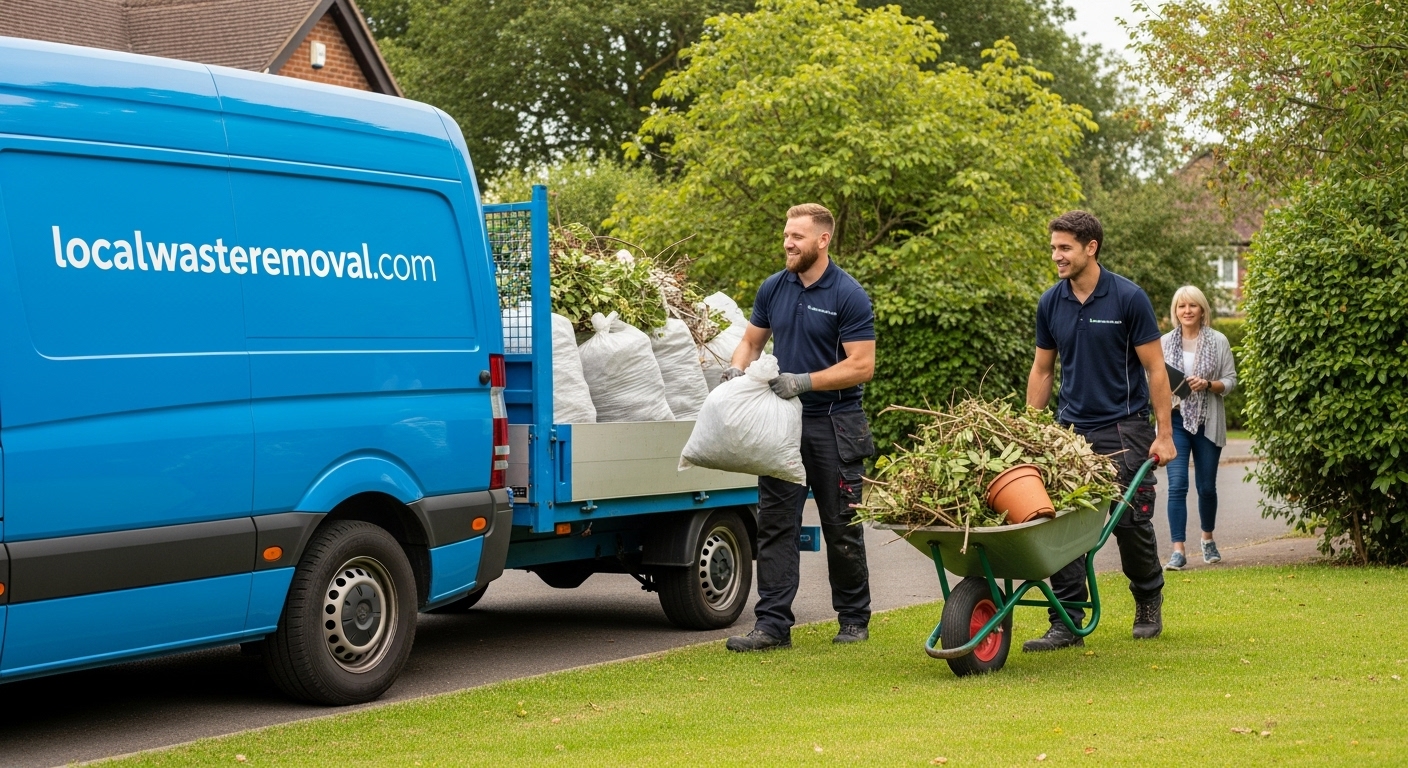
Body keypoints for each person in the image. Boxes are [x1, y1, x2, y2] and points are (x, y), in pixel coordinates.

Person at [723, 203, 877, 652]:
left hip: (834, 423)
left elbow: (862, 365)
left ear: (823, 240)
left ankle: (853, 619)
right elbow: (751, 342)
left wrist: (804, 381)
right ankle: (772, 626)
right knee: (775, 524)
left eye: (798, 237)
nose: (789, 243)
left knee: (841, 523)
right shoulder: (775, 287)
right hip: (782, 424)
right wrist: (737, 370)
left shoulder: (847, 294)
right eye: (787, 235)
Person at [1024, 210, 1176, 651]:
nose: (1056, 255)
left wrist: (1163, 434)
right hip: (1069, 430)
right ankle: (1066, 620)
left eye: (1064, 247)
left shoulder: (1128, 298)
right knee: (1064, 524)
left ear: (1091, 247)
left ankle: (1148, 595)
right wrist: (1030, 432)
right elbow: (1042, 370)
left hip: (1123, 427)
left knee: (1130, 522)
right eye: (1053, 247)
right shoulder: (1051, 302)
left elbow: (1155, 370)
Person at [1161, 285, 1238, 570]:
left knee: (1206, 487)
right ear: (1175, 311)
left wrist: (1207, 384)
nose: (1187, 311)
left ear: (1202, 309)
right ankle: (1178, 550)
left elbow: (1230, 381)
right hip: (1176, 421)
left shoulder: (1218, 341)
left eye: (1192, 305)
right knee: (1177, 485)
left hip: (1208, 421)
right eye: (1182, 306)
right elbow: (1153, 383)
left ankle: (1207, 539)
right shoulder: (1163, 342)